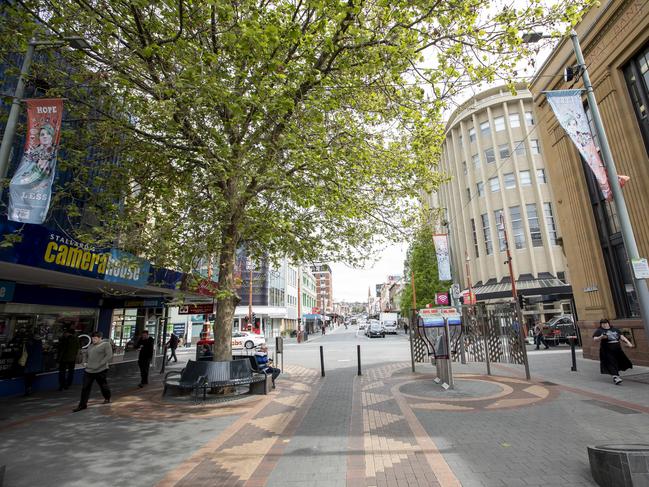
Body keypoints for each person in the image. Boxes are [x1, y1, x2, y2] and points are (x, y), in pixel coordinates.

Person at [73, 331, 112, 411]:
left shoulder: (105, 344)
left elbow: (109, 355)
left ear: (100, 338)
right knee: (85, 388)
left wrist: (100, 364)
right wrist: (84, 362)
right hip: (89, 370)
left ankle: (107, 397)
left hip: (101, 370)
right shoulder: (90, 346)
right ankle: (82, 405)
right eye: (92, 338)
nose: (93, 340)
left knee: (103, 386)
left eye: (95, 338)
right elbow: (86, 355)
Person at [593, 318, 634, 385]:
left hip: (617, 349)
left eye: (605, 323)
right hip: (607, 350)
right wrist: (601, 337)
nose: (604, 325)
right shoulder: (599, 330)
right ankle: (616, 377)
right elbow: (595, 339)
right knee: (611, 362)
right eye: (602, 324)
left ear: (608, 323)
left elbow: (621, 337)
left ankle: (616, 373)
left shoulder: (615, 329)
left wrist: (628, 342)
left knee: (619, 361)